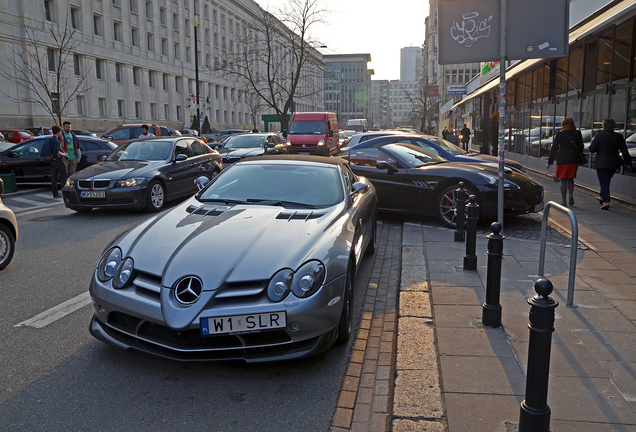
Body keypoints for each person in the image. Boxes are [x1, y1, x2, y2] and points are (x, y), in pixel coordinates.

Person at [589, 118, 632, 210]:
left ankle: (606, 202)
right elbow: (624, 151)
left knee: (604, 182)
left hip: (601, 162)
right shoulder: (619, 137)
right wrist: (628, 163)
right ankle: (601, 196)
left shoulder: (599, 136)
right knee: (606, 180)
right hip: (614, 163)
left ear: (603, 126)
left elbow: (592, 149)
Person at [545, 117, 584, 207]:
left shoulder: (560, 134)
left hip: (563, 160)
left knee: (563, 180)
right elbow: (581, 147)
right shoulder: (578, 133)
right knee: (571, 178)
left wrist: (549, 162)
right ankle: (570, 195)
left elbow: (554, 148)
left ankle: (563, 201)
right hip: (574, 160)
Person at [41, 125, 68, 198]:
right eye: (60, 132)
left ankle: (55, 193)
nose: (61, 133)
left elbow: (59, 149)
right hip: (58, 160)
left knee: (55, 177)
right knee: (64, 176)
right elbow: (57, 152)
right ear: (58, 132)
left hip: (52, 161)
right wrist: (64, 154)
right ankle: (65, 192)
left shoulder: (51, 139)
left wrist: (61, 140)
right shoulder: (55, 141)